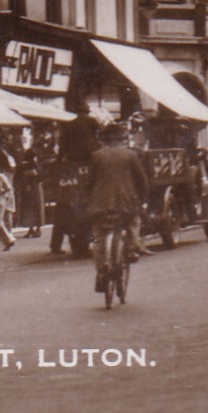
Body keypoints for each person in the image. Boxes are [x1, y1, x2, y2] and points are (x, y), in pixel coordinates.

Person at [87, 122, 149, 292]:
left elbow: (89, 183)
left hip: (101, 206)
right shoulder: (130, 155)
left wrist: (90, 200)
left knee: (99, 236)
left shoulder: (96, 156)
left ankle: (101, 272)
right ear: (122, 138)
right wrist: (142, 199)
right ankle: (131, 251)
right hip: (125, 204)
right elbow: (141, 181)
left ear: (104, 140)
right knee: (133, 223)